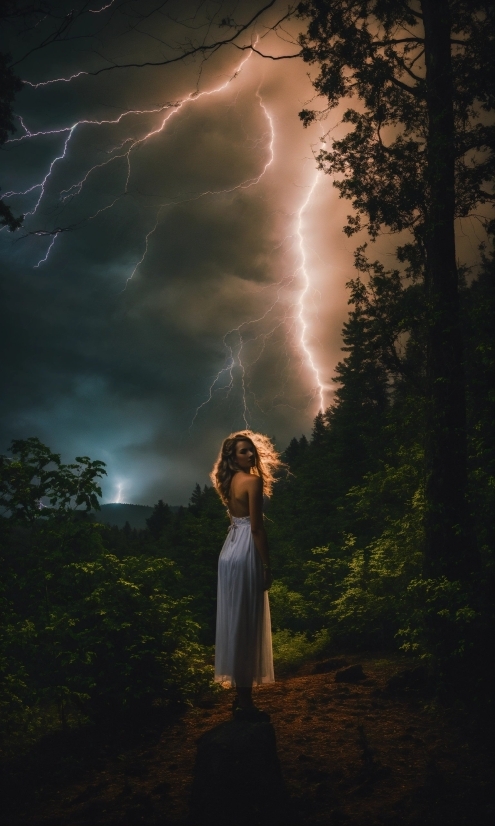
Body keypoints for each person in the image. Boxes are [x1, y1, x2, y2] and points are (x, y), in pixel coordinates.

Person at [210, 430, 282, 721]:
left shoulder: (228, 482)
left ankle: (240, 696)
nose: (250, 455)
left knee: (234, 620)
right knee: (246, 622)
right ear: (232, 456)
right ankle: (244, 700)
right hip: (245, 552)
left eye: (251, 450)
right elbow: (256, 528)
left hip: (228, 553)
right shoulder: (253, 481)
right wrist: (267, 565)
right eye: (243, 451)